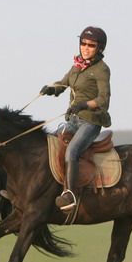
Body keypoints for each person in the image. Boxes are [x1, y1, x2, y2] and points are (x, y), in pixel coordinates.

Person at [40, 26, 111, 212]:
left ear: (99, 48)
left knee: (71, 151)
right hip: (72, 120)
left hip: (90, 121)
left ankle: (70, 194)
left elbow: (104, 100)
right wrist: (52, 89)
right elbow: (63, 84)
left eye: (91, 45)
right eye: (83, 43)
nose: (85, 48)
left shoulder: (102, 70)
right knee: (49, 145)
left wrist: (84, 105)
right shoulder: (76, 67)